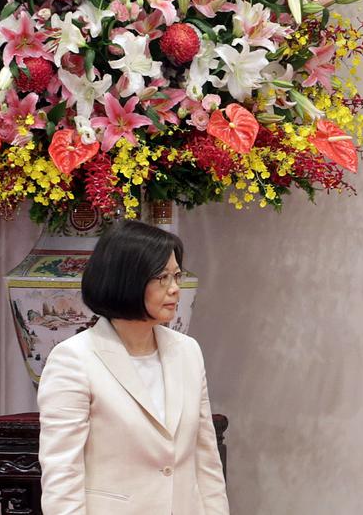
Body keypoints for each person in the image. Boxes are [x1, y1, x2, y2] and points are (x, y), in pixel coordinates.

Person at [38, 219, 230, 515]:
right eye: (162, 278)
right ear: (126, 279)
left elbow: (206, 459)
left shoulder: (188, 352)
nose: (175, 289)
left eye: (177, 276)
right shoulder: (74, 359)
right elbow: (62, 474)